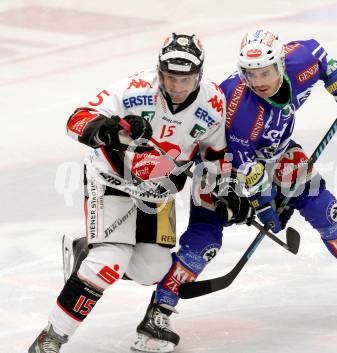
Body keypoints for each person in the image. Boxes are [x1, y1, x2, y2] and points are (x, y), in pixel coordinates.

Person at [130, 29, 337, 352]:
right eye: (251, 74)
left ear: (281, 64)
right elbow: (247, 169)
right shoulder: (241, 111)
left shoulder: (301, 60)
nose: (259, 81)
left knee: (324, 207)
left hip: (276, 151)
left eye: (266, 72)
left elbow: (323, 61)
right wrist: (266, 205)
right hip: (221, 166)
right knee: (205, 240)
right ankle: (158, 311)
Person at [28, 33, 249, 353]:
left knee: (152, 272)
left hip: (158, 193)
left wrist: (227, 191)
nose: (176, 87)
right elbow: (76, 120)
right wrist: (108, 131)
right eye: (170, 77)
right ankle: (51, 338)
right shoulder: (133, 91)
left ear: (199, 75)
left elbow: (216, 155)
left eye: (185, 79)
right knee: (108, 262)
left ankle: (83, 250)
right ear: (159, 71)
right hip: (111, 181)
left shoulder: (213, 103)